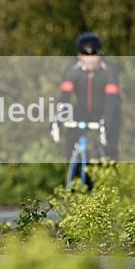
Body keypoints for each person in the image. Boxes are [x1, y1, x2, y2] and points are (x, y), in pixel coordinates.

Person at [51, 32, 122, 186]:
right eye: (86, 54)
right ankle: (74, 177)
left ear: (100, 54)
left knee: (109, 146)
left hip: (108, 111)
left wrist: (106, 122)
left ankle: (112, 183)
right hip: (82, 111)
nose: (90, 59)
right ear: (79, 55)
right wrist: (57, 120)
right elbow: (65, 98)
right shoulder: (72, 70)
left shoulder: (109, 70)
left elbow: (112, 99)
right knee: (71, 140)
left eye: (94, 54)